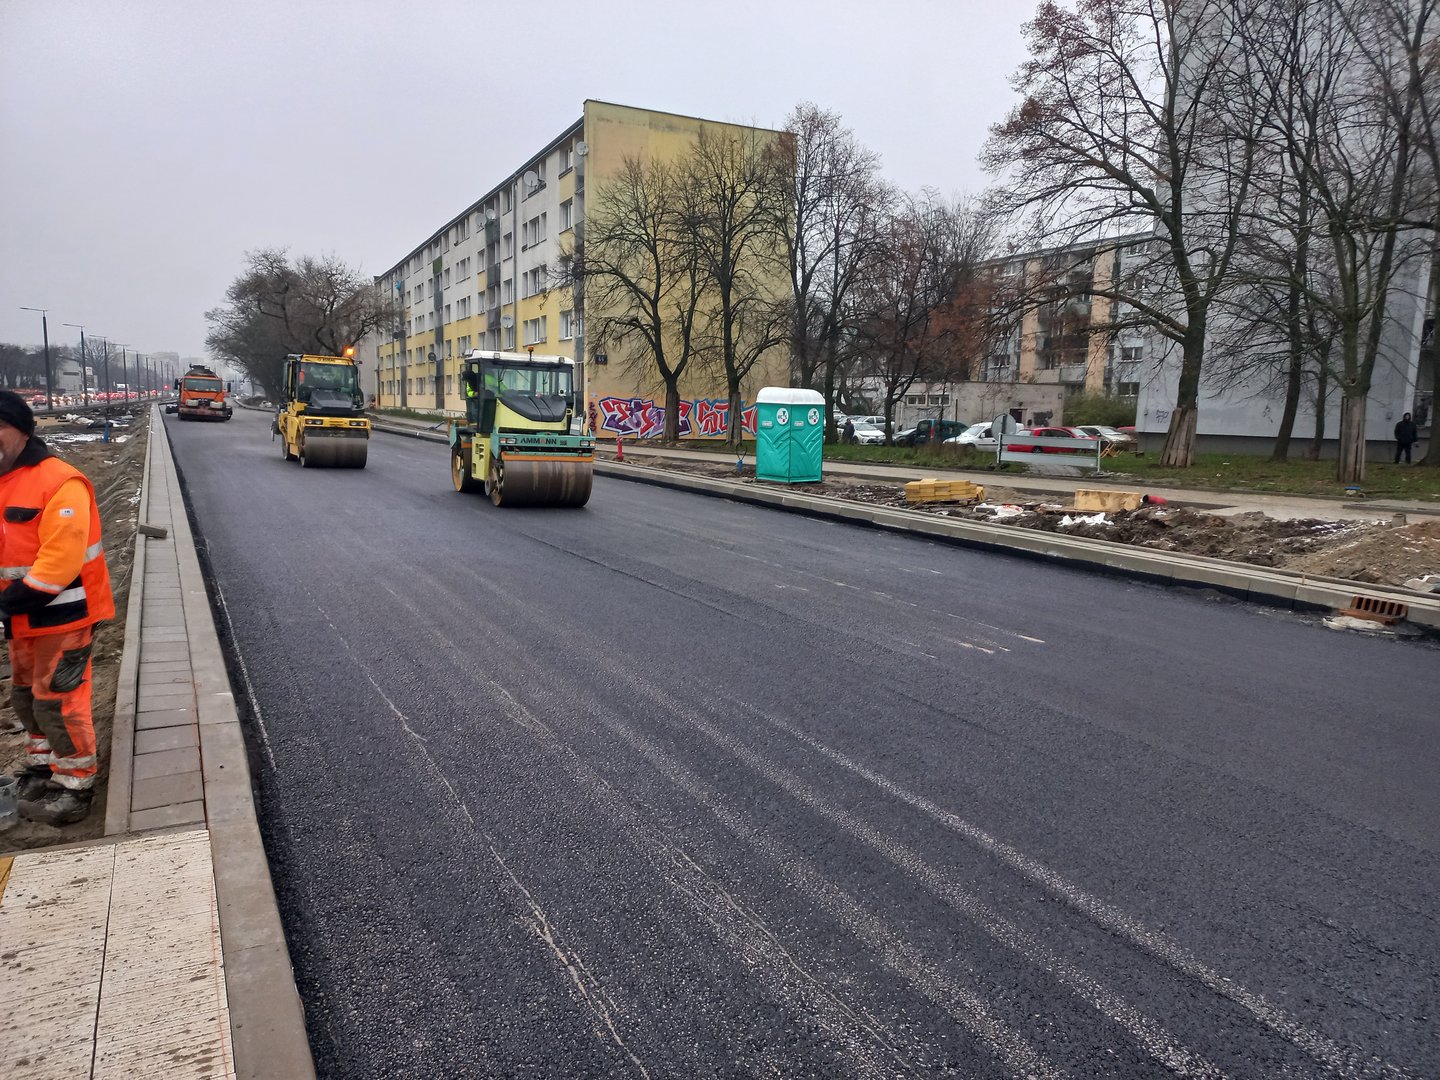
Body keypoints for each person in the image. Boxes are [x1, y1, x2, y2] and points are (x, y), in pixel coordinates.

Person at [0, 391, 115, 825]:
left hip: (64, 616)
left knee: (58, 702)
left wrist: (6, 603)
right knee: (25, 696)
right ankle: (44, 766)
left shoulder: (61, 482)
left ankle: (76, 786)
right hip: (22, 617)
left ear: (21, 431)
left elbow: (58, 565)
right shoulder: (4, 479)